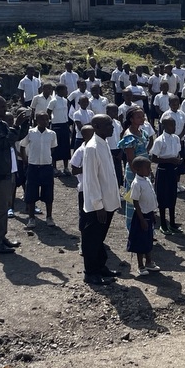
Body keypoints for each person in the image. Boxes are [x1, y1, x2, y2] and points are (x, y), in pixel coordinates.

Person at [0, 96, 27, 254]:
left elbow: (15, 137)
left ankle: (1, 237)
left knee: (4, 206)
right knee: (0, 209)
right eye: (1, 106)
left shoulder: (0, 124)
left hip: (6, 170)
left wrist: (24, 123)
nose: (5, 108)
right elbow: (4, 142)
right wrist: (15, 126)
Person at [81, 115, 123, 283]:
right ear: (97, 126)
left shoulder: (104, 143)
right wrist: (98, 205)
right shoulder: (91, 148)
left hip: (108, 202)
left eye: (111, 124)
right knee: (92, 238)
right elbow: (91, 180)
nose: (112, 127)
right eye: (108, 125)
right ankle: (91, 273)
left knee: (99, 238)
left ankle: (100, 267)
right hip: (98, 205)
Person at [118, 108, 153, 236]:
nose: (142, 119)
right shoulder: (129, 136)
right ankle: (133, 230)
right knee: (133, 200)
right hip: (135, 172)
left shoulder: (141, 132)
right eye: (139, 117)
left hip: (144, 170)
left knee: (144, 198)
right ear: (131, 119)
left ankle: (145, 228)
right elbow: (130, 158)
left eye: (143, 116)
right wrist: (139, 175)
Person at [20, 112, 57, 227]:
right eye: (42, 119)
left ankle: (49, 217)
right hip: (33, 167)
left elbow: (52, 148)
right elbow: (22, 146)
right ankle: (31, 218)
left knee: (48, 192)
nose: (45, 122)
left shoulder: (52, 134)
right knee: (31, 193)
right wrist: (26, 160)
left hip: (46, 167)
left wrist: (47, 158)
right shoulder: (30, 133)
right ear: (36, 120)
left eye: (46, 119)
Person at [149, 114, 183, 234]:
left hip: (173, 170)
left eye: (174, 124)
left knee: (172, 196)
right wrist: (170, 160)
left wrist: (178, 160)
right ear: (164, 126)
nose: (174, 127)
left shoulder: (176, 138)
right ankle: (163, 224)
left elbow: (177, 152)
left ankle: (173, 223)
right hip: (163, 170)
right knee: (163, 197)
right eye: (171, 125)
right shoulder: (159, 140)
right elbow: (153, 158)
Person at [127, 156, 160, 276]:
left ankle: (149, 262)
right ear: (137, 170)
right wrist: (142, 220)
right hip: (141, 216)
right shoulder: (136, 183)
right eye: (147, 168)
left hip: (149, 214)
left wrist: (153, 213)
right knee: (140, 241)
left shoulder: (146, 179)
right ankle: (140, 265)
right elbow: (135, 201)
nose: (149, 170)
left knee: (148, 239)